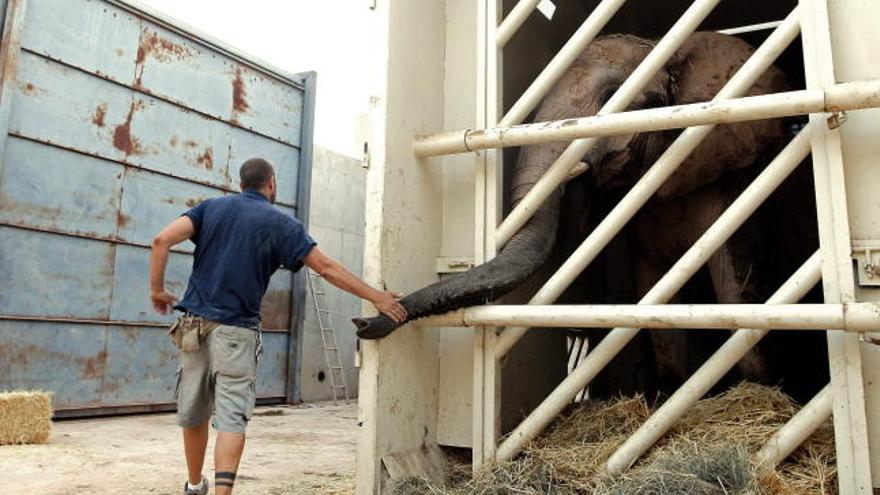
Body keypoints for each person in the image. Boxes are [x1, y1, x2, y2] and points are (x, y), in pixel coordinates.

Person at [149, 157, 407, 495]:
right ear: (271, 183)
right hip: (236, 333)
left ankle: (195, 485)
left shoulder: (210, 208)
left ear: (241, 183)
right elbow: (326, 268)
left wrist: (157, 289)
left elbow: (161, 241)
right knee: (231, 419)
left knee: (194, 410)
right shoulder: (282, 224)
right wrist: (377, 297)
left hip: (193, 327)